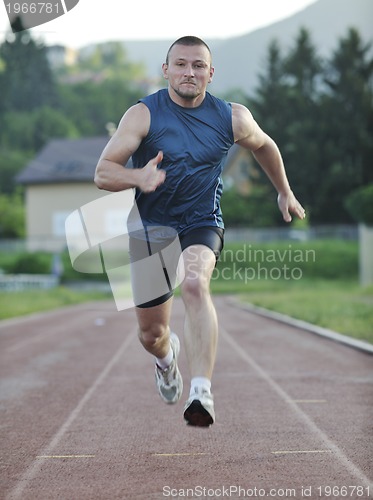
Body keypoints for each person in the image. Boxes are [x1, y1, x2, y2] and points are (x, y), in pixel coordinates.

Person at [94, 36, 306, 427]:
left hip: (201, 222)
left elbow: (265, 145)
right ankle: (166, 361)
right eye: (180, 64)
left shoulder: (231, 117)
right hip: (150, 229)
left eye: (197, 65)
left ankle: (201, 393)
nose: (188, 72)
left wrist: (284, 192)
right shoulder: (142, 114)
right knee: (151, 335)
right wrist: (137, 175)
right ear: (166, 70)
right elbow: (103, 172)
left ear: (210, 73)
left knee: (194, 284)